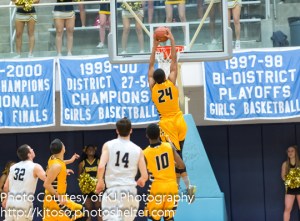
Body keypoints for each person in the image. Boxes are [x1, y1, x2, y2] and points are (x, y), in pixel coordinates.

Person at [148, 28, 196, 198]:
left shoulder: (153, 87)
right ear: (166, 76)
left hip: (167, 124)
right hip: (179, 120)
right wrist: (172, 40)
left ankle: (188, 186)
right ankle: (179, 188)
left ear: (154, 78)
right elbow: (174, 60)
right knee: (177, 154)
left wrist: (155, 46)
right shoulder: (171, 81)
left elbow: (151, 65)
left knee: (174, 157)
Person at [95, 117, 148, 221]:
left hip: (113, 190)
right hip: (130, 191)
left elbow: (101, 166)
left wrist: (100, 181)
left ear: (117, 130)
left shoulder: (108, 145)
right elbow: (144, 176)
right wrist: (142, 180)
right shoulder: (138, 150)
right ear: (131, 130)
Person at [143, 123, 187, 221]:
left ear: (147, 135)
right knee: (169, 218)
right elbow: (182, 165)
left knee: (155, 218)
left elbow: (144, 174)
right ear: (159, 134)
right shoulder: (169, 147)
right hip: (171, 186)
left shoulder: (144, 153)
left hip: (157, 187)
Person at [1, 144, 46, 220]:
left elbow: (5, 187)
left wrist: (5, 199)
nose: (32, 150)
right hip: (23, 203)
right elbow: (47, 179)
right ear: (29, 154)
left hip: (10, 202)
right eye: (31, 149)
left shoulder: (13, 167)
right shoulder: (35, 167)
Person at [43, 138, 84, 221]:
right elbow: (46, 184)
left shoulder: (52, 158)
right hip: (56, 199)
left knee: (80, 212)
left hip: (55, 198)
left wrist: (70, 161)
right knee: (79, 213)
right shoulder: (56, 166)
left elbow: (60, 163)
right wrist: (59, 198)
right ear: (62, 148)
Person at [78, 145, 102, 221]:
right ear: (86, 151)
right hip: (87, 190)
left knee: (99, 209)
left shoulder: (99, 161)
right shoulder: (82, 163)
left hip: (97, 189)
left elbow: (102, 174)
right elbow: (79, 176)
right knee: (88, 210)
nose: (91, 150)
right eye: (89, 149)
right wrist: (84, 185)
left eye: (93, 149)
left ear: (95, 151)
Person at [281, 145, 300, 221]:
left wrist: (293, 177)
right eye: (288, 151)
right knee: (287, 209)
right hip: (290, 188)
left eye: (292, 151)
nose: (290, 153)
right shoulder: (285, 164)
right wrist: (294, 179)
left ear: (295, 152)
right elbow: (283, 177)